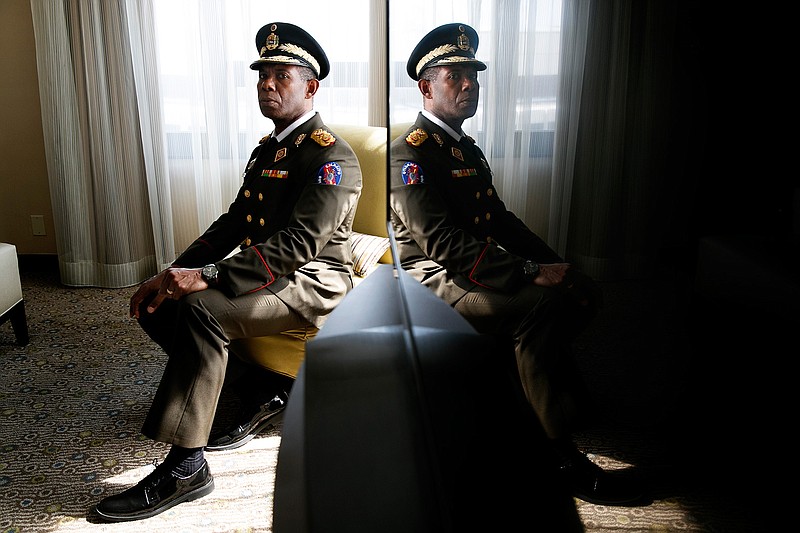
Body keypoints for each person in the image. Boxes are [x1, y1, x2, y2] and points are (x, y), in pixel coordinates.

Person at [92, 22, 363, 522]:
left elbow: (300, 244)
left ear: (311, 86)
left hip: (312, 280)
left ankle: (185, 466)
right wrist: (177, 269)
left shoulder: (332, 156)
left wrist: (209, 278)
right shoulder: (270, 149)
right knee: (161, 302)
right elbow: (235, 221)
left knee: (201, 309)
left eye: (282, 75)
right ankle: (257, 389)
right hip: (267, 273)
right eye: (263, 75)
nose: (268, 84)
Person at [389, 23, 640, 506]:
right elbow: (442, 244)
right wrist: (528, 273)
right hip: (431, 278)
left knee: (580, 290)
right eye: (455, 75)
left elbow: (497, 219)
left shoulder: (463, 147)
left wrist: (553, 261)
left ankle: (535, 389)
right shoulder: (410, 154)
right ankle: (559, 454)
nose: (468, 86)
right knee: (538, 305)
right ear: (426, 86)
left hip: (472, 267)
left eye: (474, 77)